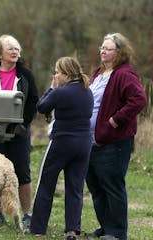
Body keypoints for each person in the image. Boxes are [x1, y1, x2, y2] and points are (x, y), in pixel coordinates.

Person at [85, 33, 147, 240]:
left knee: (112, 185)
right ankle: (106, 227)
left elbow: (138, 100)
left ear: (119, 52)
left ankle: (118, 233)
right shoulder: (99, 73)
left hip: (114, 141)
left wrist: (115, 120)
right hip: (92, 141)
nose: (103, 51)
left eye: (108, 48)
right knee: (96, 186)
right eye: (102, 48)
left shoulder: (124, 74)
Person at [0, 34, 39, 232]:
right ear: (0, 53)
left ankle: (27, 214)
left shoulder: (26, 74)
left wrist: (24, 123)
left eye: (17, 48)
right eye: (10, 48)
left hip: (19, 131)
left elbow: (33, 101)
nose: (15, 51)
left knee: (22, 172)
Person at [29, 57, 93, 239]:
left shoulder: (61, 92)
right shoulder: (87, 91)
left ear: (66, 74)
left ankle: (38, 229)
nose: (55, 75)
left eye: (57, 72)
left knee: (46, 184)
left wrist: (51, 88)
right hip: (84, 144)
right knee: (75, 188)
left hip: (62, 142)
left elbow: (41, 107)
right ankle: (72, 230)